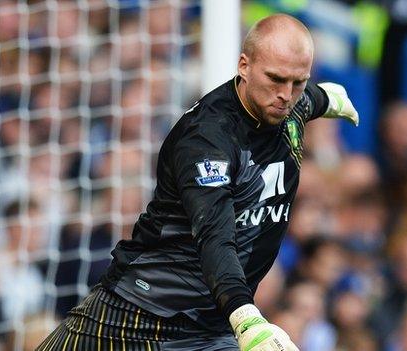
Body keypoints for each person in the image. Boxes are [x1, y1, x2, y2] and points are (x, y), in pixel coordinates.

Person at [37, 13, 358, 351]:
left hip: (213, 322)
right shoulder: (208, 140)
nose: (286, 94)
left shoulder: (289, 106)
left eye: (298, 82)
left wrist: (329, 99)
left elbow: (307, 102)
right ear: (244, 66)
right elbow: (215, 236)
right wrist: (247, 318)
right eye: (276, 79)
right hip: (143, 312)